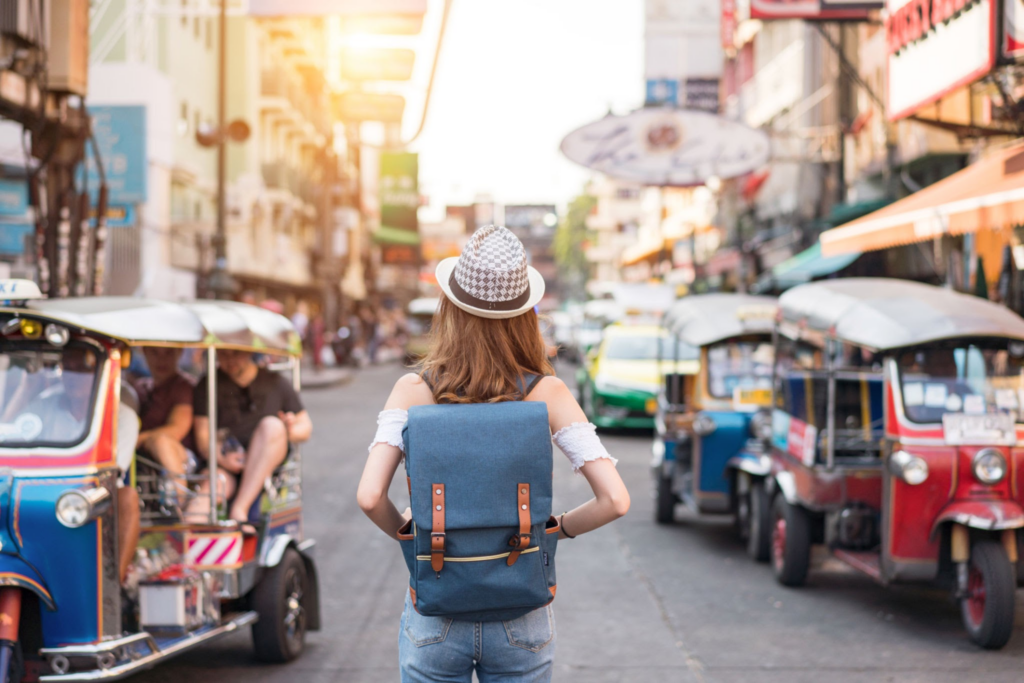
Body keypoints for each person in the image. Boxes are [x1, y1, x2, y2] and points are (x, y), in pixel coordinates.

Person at [357, 225, 630, 683]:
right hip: (521, 611)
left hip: (437, 609)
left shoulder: (413, 390)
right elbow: (615, 501)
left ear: (450, 309)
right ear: (526, 316)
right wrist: (553, 532)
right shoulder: (549, 392)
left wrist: (415, 540)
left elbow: (369, 497)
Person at [191, 350, 312, 523]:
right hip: (225, 467)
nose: (230, 360)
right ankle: (189, 538)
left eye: (236, 354)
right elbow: (203, 436)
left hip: (266, 468)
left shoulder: (276, 382)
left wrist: (289, 429)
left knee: (272, 426)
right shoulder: (207, 384)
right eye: (223, 354)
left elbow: (305, 427)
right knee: (210, 490)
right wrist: (223, 458)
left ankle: (240, 510)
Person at [133, 347, 196, 488]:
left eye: (168, 352)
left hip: (182, 457)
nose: (161, 360)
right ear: (144, 352)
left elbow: (177, 429)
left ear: (179, 352)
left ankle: (180, 501)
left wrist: (134, 441)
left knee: (160, 441)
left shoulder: (184, 386)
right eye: (154, 352)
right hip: (144, 460)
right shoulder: (139, 387)